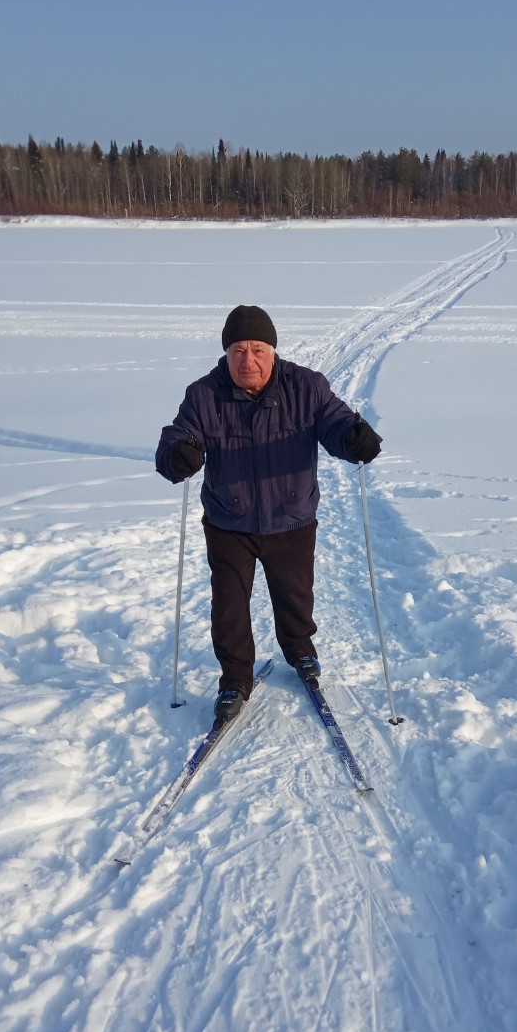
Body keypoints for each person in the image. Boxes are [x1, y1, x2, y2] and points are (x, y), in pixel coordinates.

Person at [155, 305, 381, 725]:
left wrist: (353, 438)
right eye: (238, 350)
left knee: (295, 597)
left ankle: (300, 652)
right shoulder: (204, 394)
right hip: (229, 522)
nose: (248, 360)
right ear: (226, 355)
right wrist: (177, 455)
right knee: (229, 607)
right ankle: (234, 678)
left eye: (257, 349)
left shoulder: (307, 387)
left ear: (273, 350)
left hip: (290, 517)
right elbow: (177, 436)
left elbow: (335, 423)